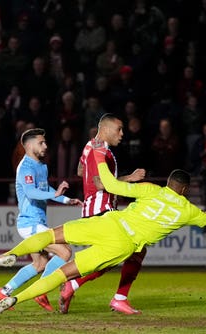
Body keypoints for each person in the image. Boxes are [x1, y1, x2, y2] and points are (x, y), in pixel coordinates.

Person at [0, 152, 206, 319]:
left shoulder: (150, 190)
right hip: (122, 244)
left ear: (169, 184)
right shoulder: (189, 211)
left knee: (51, 237)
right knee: (63, 275)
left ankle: (8, 255)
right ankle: (12, 301)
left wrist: (96, 157)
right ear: (185, 190)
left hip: (108, 223)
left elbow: (110, 185)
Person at [0, 128, 82, 311]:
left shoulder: (42, 166)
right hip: (29, 223)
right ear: (29, 146)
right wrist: (56, 194)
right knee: (65, 252)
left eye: (45, 142)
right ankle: (41, 291)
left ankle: (4, 291)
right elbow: (31, 192)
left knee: (40, 264)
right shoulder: (25, 167)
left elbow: (45, 191)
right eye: (41, 143)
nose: (45, 146)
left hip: (37, 223)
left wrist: (67, 199)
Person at [59, 114, 147, 315]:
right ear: (106, 129)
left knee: (116, 255)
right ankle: (115, 297)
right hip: (102, 210)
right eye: (119, 129)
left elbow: (81, 171)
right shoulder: (102, 149)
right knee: (131, 250)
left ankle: (73, 286)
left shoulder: (90, 146)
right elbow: (100, 183)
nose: (122, 134)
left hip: (95, 209)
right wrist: (130, 178)